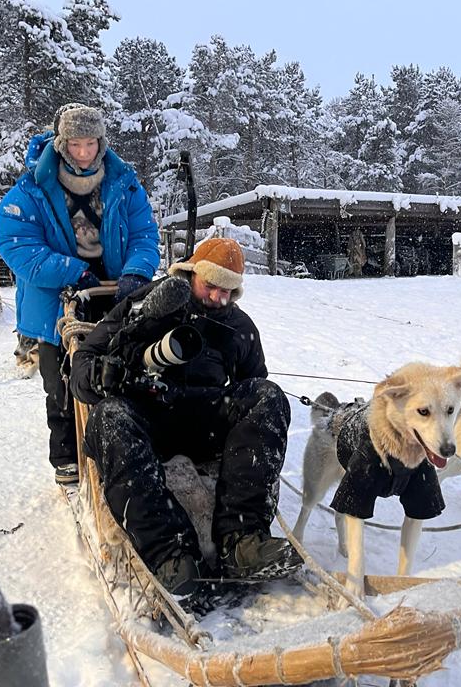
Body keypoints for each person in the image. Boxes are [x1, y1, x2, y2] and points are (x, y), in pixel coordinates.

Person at [69, 237, 303, 605]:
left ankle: (241, 541)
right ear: (191, 273)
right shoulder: (144, 304)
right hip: (147, 417)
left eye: (228, 292)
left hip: (204, 421)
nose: (218, 299)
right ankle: (170, 555)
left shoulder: (240, 327)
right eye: (210, 286)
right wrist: (99, 375)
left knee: (267, 396)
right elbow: (83, 362)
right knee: (108, 417)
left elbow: (254, 384)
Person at [0, 103, 160, 485]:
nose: (83, 153)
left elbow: (143, 235)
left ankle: (122, 445)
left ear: (101, 143)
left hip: (115, 291)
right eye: (75, 145)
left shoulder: (124, 183)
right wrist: (72, 271)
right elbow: (17, 243)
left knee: (123, 370)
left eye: (90, 144)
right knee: (61, 380)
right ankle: (66, 455)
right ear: (61, 144)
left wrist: (137, 270)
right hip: (58, 296)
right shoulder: (33, 188)